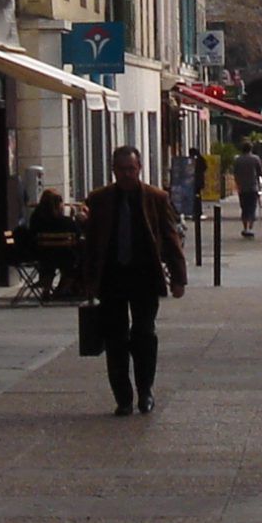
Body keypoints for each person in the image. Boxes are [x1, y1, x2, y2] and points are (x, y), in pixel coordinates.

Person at [79, 145, 188, 415]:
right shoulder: (99, 199)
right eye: (122, 169)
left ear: (139, 168)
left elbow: (171, 238)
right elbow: (91, 243)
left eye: (132, 169)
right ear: (114, 170)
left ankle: (145, 390)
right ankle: (123, 397)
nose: (127, 174)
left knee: (144, 335)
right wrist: (88, 280)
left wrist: (178, 278)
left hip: (144, 275)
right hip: (112, 277)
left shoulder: (156, 198)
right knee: (115, 338)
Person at [25, 188, 80, 298]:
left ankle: (46, 289)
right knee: (77, 261)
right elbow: (78, 235)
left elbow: (31, 236)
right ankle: (63, 289)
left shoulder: (36, 219)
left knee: (49, 259)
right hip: (66, 257)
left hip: (42, 256)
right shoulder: (67, 222)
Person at [233, 142, 262, 237]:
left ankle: (245, 227)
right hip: (253, 186)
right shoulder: (255, 159)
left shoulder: (238, 160)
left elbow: (235, 173)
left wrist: (238, 183)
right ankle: (250, 227)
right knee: (252, 207)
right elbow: (259, 171)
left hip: (242, 187)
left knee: (244, 207)